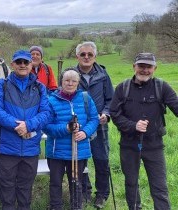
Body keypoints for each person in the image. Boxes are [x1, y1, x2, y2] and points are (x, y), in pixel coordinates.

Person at [110, 53, 178, 210]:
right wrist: (133, 126)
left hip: (154, 145)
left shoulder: (162, 87)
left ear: (155, 68)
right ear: (134, 67)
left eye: (148, 67)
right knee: (131, 184)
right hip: (129, 145)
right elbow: (114, 114)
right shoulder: (123, 88)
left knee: (159, 187)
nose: (144, 70)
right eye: (141, 66)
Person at [0, 50, 51, 210]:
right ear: (12, 65)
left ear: (32, 64)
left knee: (25, 191)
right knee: (7, 192)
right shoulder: (1, 85)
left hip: (30, 149)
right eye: (19, 62)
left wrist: (29, 125)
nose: (22, 65)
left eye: (26, 62)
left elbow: (46, 113)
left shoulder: (40, 88)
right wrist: (18, 125)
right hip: (7, 148)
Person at [43, 68, 99, 210]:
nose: (70, 83)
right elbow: (46, 126)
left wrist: (85, 132)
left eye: (74, 81)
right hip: (56, 151)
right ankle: (56, 207)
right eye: (67, 80)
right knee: (55, 182)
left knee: (76, 182)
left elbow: (94, 119)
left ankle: (76, 206)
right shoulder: (51, 101)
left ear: (78, 83)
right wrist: (67, 128)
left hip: (79, 150)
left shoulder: (85, 98)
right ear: (61, 81)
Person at [75, 41, 114, 208]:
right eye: (83, 54)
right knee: (80, 160)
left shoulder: (103, 75)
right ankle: (84, 191)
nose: (86, 57)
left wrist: (106, 113)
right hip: (79, 125)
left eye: (89, 54)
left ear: (94, 57)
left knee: (101, 159)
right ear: (77, 56)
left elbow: (111, 100)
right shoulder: (70, 74)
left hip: (99, 124)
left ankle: (102, 194)